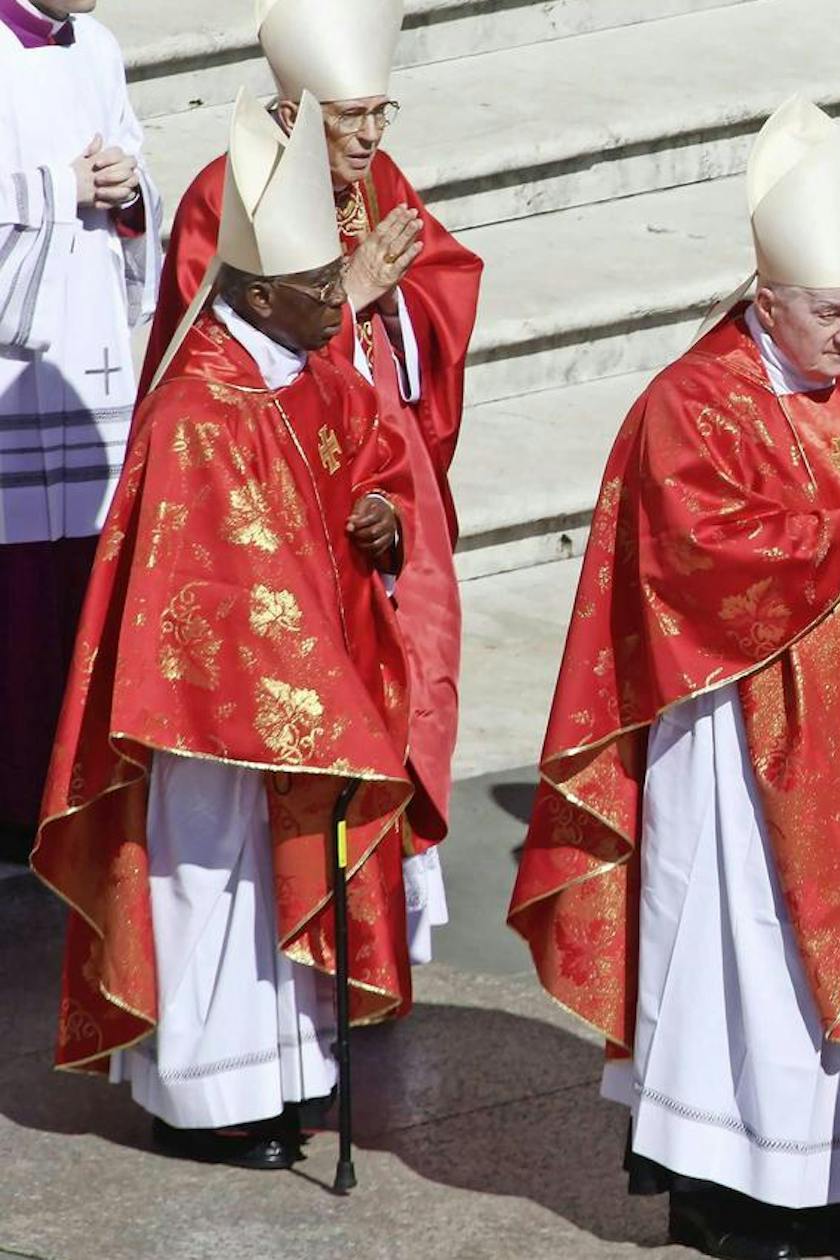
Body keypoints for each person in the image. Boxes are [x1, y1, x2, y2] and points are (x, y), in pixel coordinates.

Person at [508, 95, 840, 1260]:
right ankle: (723, 1184)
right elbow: (688, 551)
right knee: (742, 954)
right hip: (737, 743)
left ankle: (829, 1183)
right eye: (827, 315)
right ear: (769, 299)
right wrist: (837, 539)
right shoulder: (689, 402)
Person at [32, 91, 436, 1171]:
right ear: (257, 293)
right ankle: (201, 1097)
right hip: (205, 719)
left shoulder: (308, 375)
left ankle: (284, 1079)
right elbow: (213, 586)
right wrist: (320, 696)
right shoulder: (196, 410)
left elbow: (376, 464)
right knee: (211, 884)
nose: (333, 302)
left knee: (280, 883)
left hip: (297, 700)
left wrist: (382, 519)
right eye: (316, 290)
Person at [144, 0, 477, 954]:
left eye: (381, 114)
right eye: (348, 118)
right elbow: (221, 358)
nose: (370, 138)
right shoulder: (228, 194)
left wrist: (399, 303)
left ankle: (383, 921)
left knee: (419, 662)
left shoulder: (380, 179)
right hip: (278, 483)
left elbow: (442, 277)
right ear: (293, 115)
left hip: (381, 461)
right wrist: (356, 292)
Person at [0, 0, 160, 864]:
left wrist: (131, 189)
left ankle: (83, 782)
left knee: (88, 571)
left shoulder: (98, 46)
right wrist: (63, 189)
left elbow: (135, 171)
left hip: (91, 344)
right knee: (15, 590)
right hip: (9, 371)